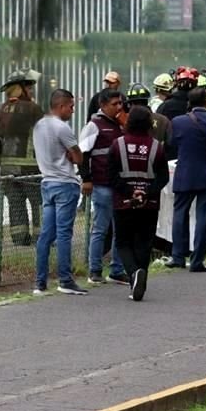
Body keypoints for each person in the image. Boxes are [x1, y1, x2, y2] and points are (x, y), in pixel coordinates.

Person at [108, 106, 169, 302]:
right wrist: (146, 192)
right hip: (149, 204)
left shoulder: (117, 145)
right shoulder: (156, 147)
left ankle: (134, 273)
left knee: (123, 242)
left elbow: (111, 175)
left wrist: (130, 191)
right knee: (144, 242)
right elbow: (163, 178)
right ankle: (140, 276)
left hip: (123, 202)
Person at [32, 89, 87, 295]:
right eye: (71, 106)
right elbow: (78, 157)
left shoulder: (39, 125)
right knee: (64, 234)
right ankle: (65, 279)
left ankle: (40, 282)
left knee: (46, 235)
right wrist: (73, 155)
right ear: (61, 106)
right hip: (65, 183)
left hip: (47, 182)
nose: (72, 110)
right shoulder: (62, 128)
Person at [165, 88, 206, 272]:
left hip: (185, 173)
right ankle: (197, 260)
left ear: (189, 102)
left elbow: (172, 144)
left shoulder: (178, 122)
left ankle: (178, 256)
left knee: (180, 214)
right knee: (204, 217)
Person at [78, 88, 130, 285]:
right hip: (102, 185)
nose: (119, 107)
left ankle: (117, 270)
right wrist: (86, 178)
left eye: (120, 103)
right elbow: (82, 154)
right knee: (100, 228)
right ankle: (95, 270)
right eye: (114, 104)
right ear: (103, 106)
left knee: (120, 230)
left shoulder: (121, 124)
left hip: (121, 185)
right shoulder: (94, 125)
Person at [0, 68, 44, 246]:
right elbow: (45, 137)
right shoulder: (33, 109)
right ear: (19, 89)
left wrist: (1, 161)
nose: (31, 91)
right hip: (30, 168)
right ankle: (41, 238)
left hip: (6, 170)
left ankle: (20, 239)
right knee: (38, 203)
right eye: (28, 87)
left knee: (15, 204)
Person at [124, 82, 174, 159]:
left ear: (131, 104)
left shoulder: (125, 120)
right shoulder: (163, 120)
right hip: (157, 163)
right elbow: (170, 145)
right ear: (147, 101)